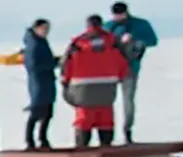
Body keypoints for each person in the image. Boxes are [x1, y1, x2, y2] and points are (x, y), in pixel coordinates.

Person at [60, 15, 129, 148]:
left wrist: (65, 84)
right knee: (106, 118)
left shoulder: (78, 43)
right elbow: (123, 62)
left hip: (82, 89)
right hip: (107, 88)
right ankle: (106, 148)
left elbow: (66, 65)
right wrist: (119, 77)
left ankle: (82, 149)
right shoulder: (112, 41)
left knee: (84, 119)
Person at [103, 1, 158, 143]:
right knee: (106, 101)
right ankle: (106, 131)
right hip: (110, 70)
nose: (118, 18)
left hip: (130, 68)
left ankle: (127, 130)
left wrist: (135, 40)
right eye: (116, 15)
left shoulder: (140, 24)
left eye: (120, 15)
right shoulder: (108, 26)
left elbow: (153, 40)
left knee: (128, 100)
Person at [22, 18, 56, 150]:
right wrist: (49, 65)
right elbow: (32, 65)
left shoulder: (41, 42)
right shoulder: (33, 44)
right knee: (36, 112)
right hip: (39, 82)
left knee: (47, 112)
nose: (46, 32)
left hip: (47, 80)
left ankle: (43, 139)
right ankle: (30, 141)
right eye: (44, 29)